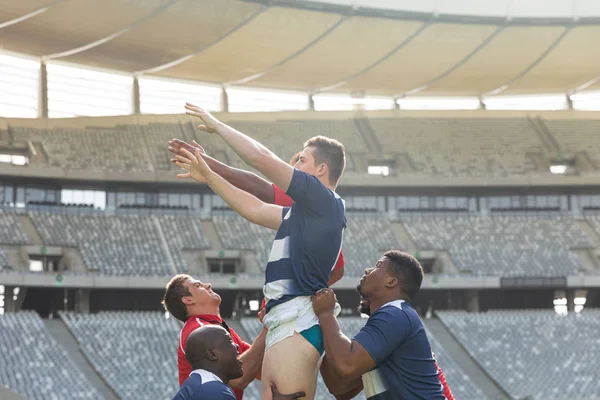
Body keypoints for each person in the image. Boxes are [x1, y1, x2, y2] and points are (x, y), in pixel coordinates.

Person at [175, 102, 347, 399]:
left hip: (296, 320)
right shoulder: (303, 212)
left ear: (321, 170)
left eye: (300, 159)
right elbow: (254, 209)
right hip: (284, 319)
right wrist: (210, 178)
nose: (293, 165)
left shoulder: (324, 201)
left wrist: (217, 125)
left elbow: (261, 158)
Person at [167, 139, 345, 290]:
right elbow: (255, 209)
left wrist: (208, 164)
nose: (293, 174)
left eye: (301, 163)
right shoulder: (316, 211)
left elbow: (257, 186)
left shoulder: (315, 202)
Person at [313, 251, 446, 399]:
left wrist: (326, 314)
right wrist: (323, 324)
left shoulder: (395, 314)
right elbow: (340, 388)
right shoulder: (392, 322)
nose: (367, 270)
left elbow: (346, 366)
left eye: (378, 265)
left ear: (391, 282)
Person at [162, 274, 267, 400]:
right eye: (198, 285)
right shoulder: (199, 331)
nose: (208, 285)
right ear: (188, 300)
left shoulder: (222, 332)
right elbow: (239, 379)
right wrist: (269, 325)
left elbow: (261, 366)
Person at [173, 325, 305, 400]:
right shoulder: (213, 390)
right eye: (229, 341)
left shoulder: (198, 385)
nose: (236, 345)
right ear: (212, 354)